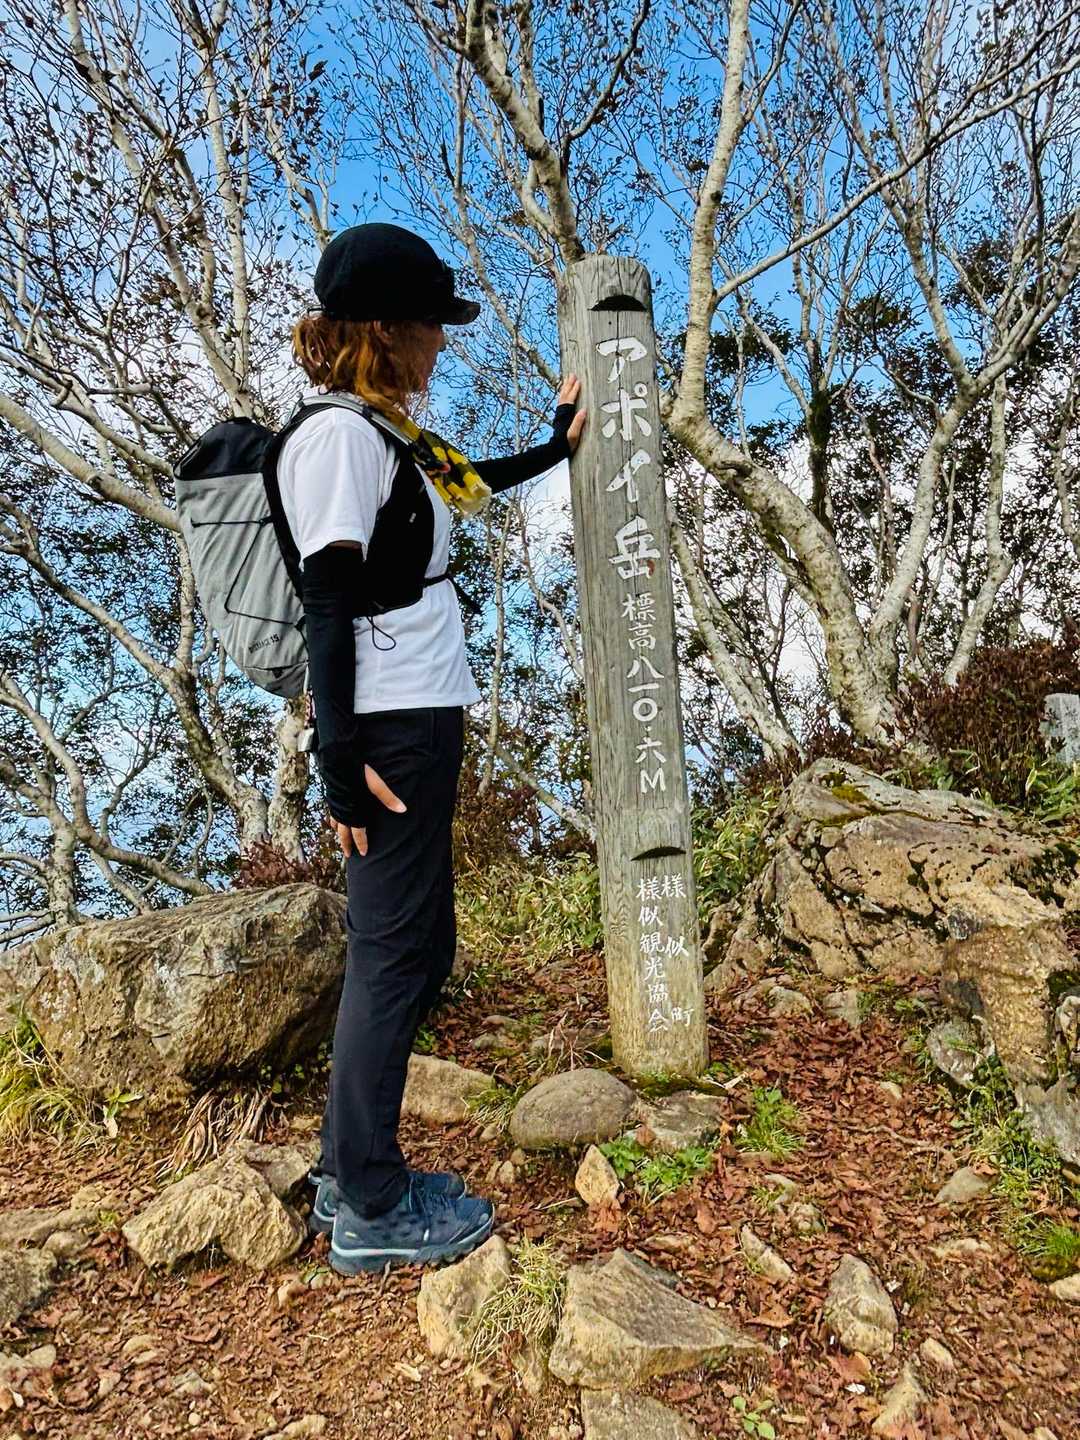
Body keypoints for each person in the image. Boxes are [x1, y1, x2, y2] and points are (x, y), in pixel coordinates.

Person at [279, 223, 586, 1275]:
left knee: (419, 947)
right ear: (383, 331)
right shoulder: (337, 442)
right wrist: (339, 768)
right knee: (394, 952)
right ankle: (368, 1202)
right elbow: (326, 601)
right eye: (430, 326)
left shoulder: (388, 436)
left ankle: (349, 1170)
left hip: (416, 717)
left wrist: (555, 444)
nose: (442, 343)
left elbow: (469, 485)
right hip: (387, 730)